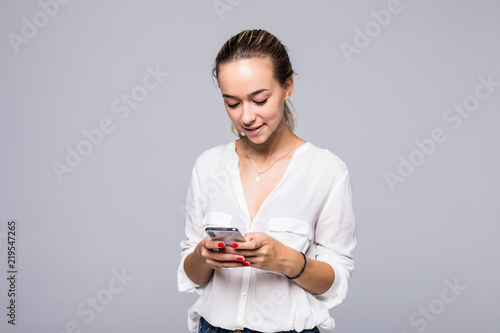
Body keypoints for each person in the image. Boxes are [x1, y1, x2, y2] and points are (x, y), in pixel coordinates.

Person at [177, 29, 357, 333]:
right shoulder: (208, 166)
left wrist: (287, 261)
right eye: (232, 103)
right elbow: (193, 275)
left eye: (259, 99)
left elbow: (335, 284)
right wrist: (202, 255)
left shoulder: (326, 171)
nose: (246, 117)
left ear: (287, 87)